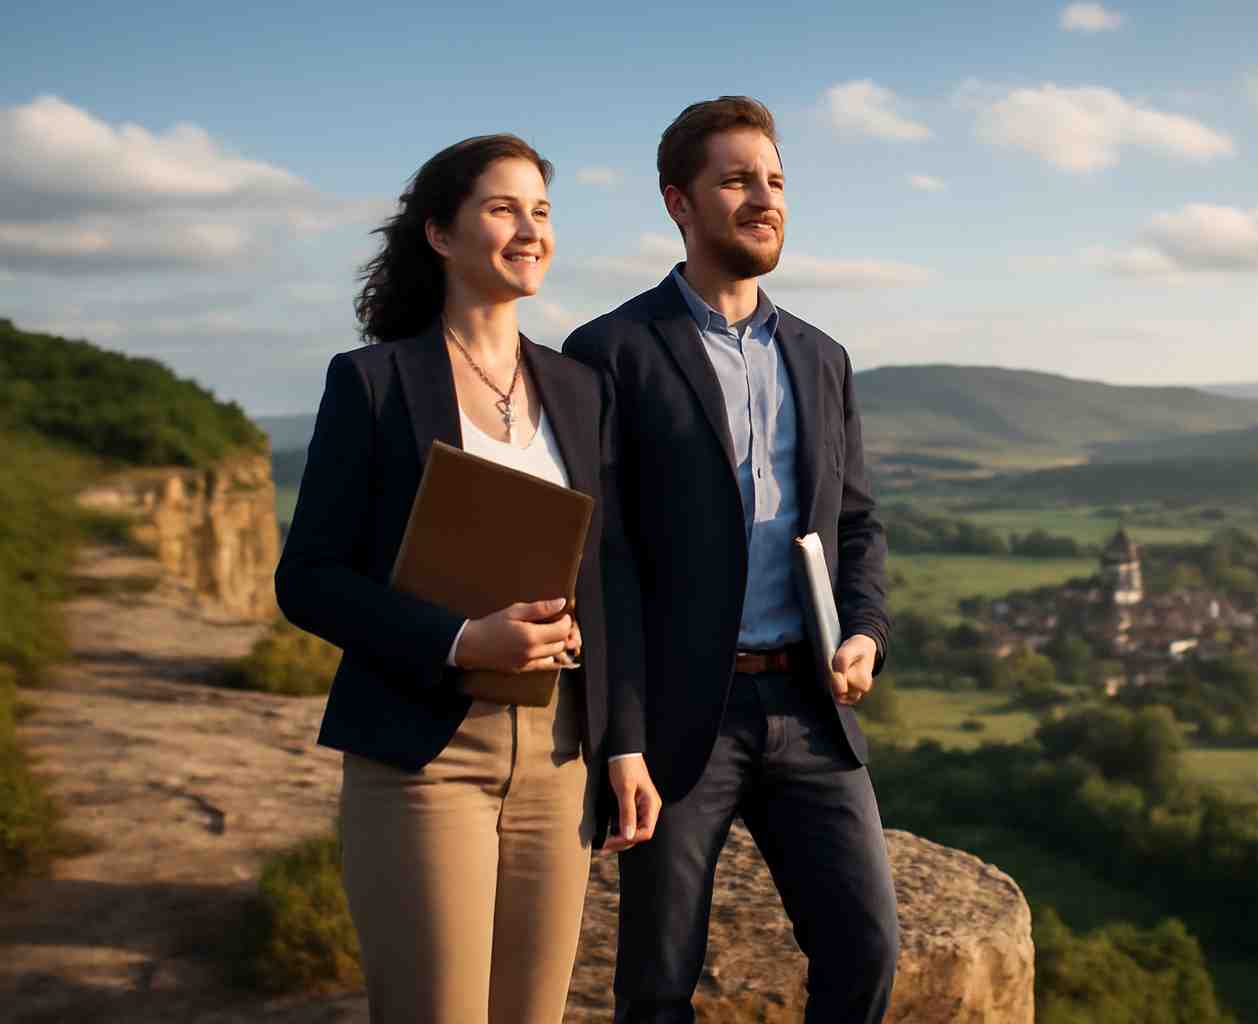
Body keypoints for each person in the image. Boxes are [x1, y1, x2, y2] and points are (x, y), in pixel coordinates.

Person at [274, 134, 658, 1024]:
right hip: (423, 759)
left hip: (561, 759)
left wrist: (624, 741)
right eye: (502, 208)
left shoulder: (580, 387)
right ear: (440, 236)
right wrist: (459, 640)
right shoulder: (372, 381)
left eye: (542, 211)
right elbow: (309, 578)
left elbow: (610, 578)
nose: (530, 230)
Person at [564, 96, 900, 1024]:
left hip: (808, 705)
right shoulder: (611, 351)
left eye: (777, 180)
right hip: (679, 720)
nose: (765, 198)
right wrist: (619, 734)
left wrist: (865, 630)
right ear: (679, 202)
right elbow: (602, 564)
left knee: (867, 948)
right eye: (738, 180)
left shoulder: (822, 356)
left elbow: (858, 525)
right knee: (659, 981)